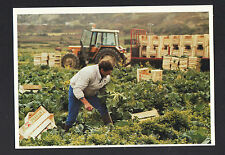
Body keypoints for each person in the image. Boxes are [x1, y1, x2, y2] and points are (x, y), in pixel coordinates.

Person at [64, 60, 113, 131]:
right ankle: (66, 132)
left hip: (91, 92)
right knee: (72, 114)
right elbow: (77, 89)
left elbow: (103, 88)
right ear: (102, 70)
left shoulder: (107, 77)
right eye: (108, 72)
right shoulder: (88, 72)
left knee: (103, 108)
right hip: (76, 90)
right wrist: (86, 103)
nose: (109, 74)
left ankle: (110, 127)